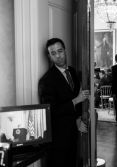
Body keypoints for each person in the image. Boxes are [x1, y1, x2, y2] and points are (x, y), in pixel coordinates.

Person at [38, 38, 88, 167]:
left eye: (60, 51)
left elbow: (76, 96)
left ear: (65, 51)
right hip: (58, 139)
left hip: (73, 134)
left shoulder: (72, 71)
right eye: (53, 53)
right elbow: (52, 111)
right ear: (49, 56)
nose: (58, 55)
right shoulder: (46, 81)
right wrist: (77, 100)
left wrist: (78, 120)